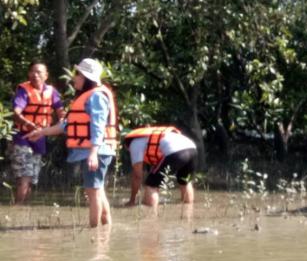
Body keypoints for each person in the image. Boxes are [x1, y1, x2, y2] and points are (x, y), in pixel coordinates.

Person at [27, 58, 117, 227]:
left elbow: (98, 126)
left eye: (77, 74)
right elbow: (65, 126)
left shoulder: (96, 96)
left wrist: (93, 153)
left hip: (96, 151)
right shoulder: (87, 97)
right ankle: (106, 229)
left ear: (86, 77)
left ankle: (94, 234)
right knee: (97, 192)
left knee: (93, 193)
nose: (74, 77)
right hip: (94, 151)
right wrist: (41, 133)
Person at [10, 62, 65, 203]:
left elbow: (61, 112)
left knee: (32, 179)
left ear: (46, 76)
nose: (35, 75)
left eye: (39, 72)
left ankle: (22, 211)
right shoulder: (24, 90)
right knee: (25, 176)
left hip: (40, 138)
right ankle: (18, 209)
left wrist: (60, 125)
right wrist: (28, 124)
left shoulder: (52, 92)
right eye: (32, 72)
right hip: (23, 137)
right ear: (28, 74)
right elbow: (16, 113)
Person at [123, 125, 198, 207]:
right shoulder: (150, 137)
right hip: (192, 148)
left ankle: (150, 211)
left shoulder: (134, 143)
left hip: (175, 152)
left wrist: (132, 200)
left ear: (126, 143)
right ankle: (188, 208)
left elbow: (137, 176)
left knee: (151, 184)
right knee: (184, 181)